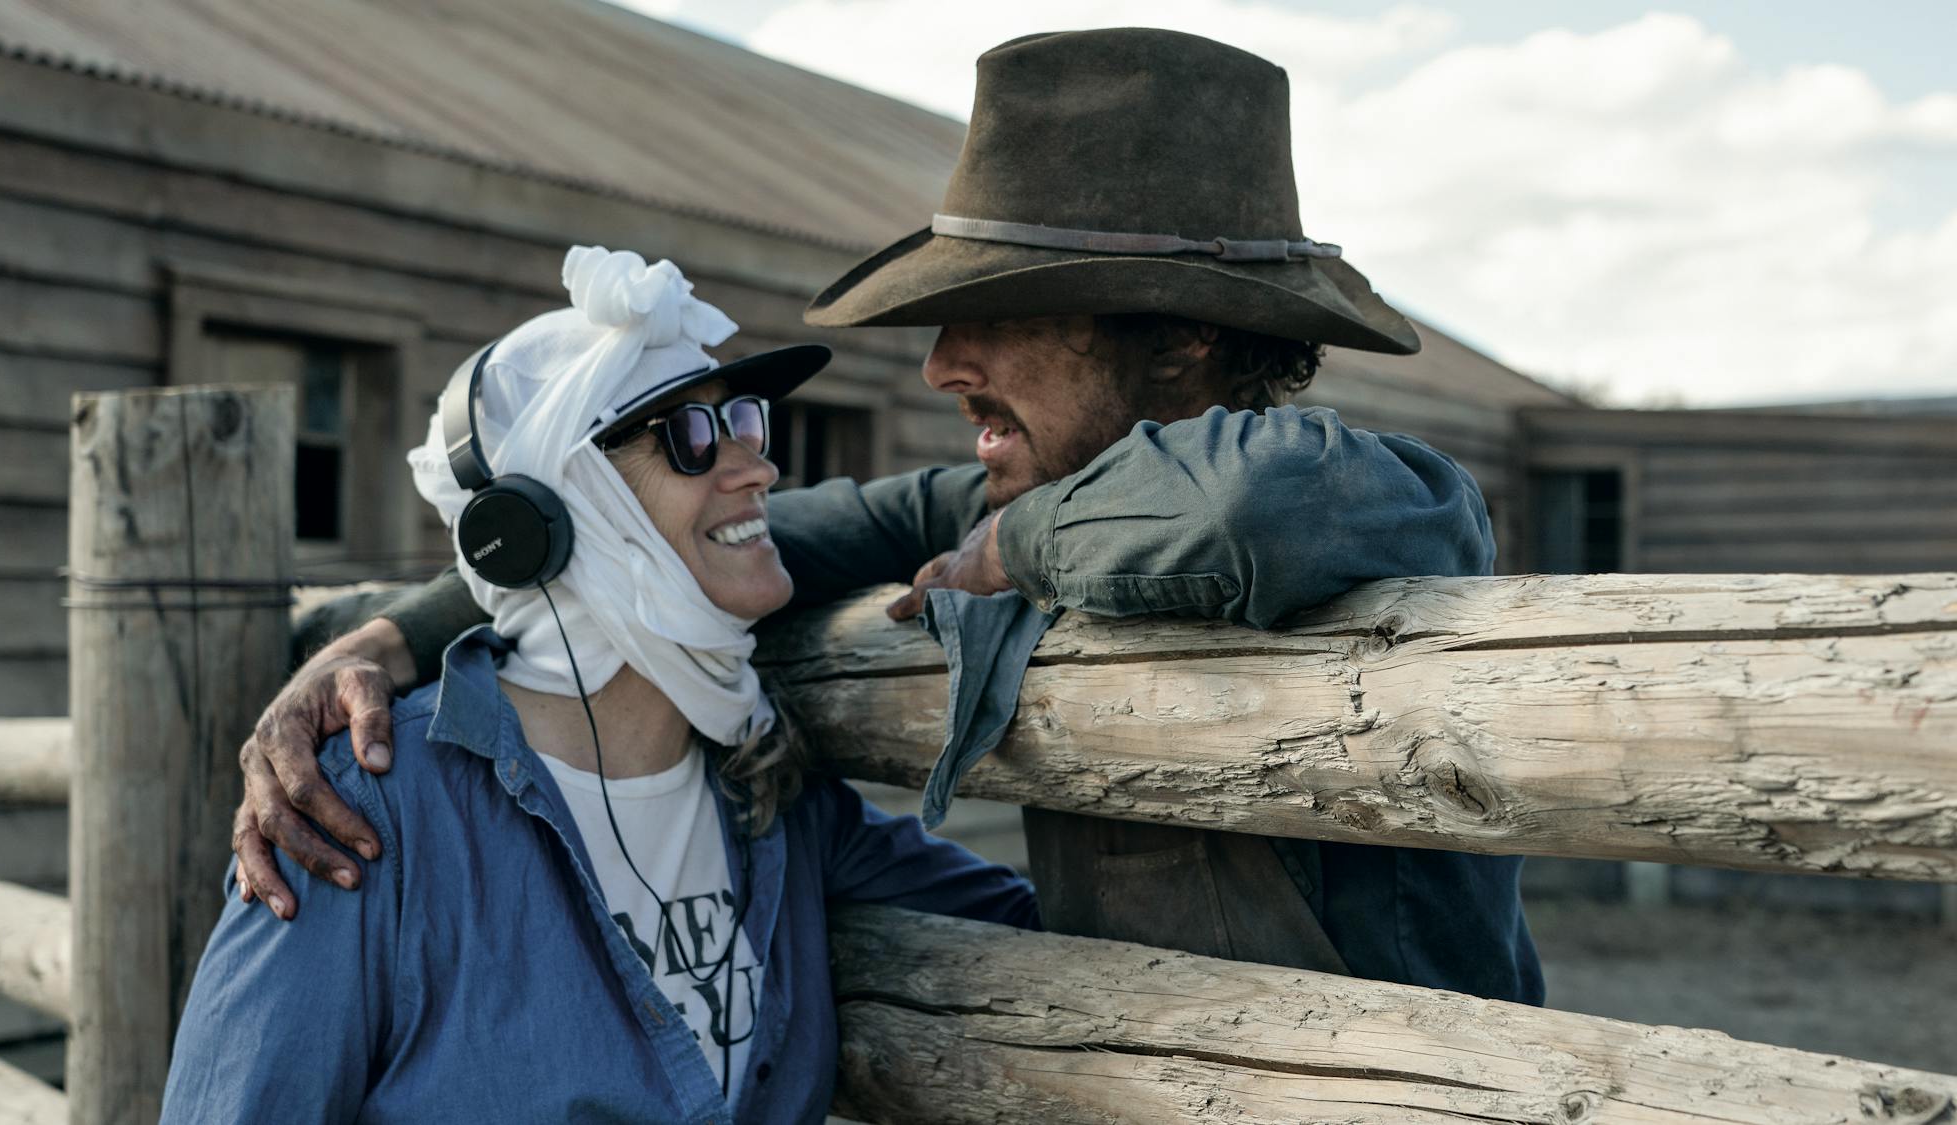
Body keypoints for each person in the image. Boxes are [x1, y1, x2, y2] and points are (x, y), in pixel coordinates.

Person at [234, 29, 1542, 1004]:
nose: (941, 365)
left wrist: (1007, 552)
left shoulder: (1366, 489)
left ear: (1184, 335)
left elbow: (1243, 516)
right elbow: (693, 543)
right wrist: (385, 645)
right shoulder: (1003, 493)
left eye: (1001, 313)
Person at [163, 247, 1036, 1123]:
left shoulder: (776, 806)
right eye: (692, 440)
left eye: (744, 424)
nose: (757, 468)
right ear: (549, 513)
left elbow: (1045, 938)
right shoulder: (361, 814)